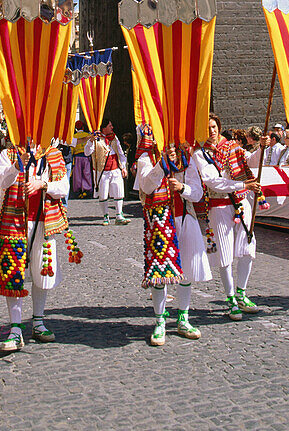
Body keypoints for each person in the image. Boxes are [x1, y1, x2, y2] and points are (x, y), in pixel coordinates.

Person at [0, 135, 76, 352]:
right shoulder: (7, 154)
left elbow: (64, 187)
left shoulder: (53, 156)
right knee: (14, 273)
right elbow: (1, 181)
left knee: (41, 272)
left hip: (43, 222)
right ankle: (16, 328)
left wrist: (43, 183)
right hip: (14, 222)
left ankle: (38, 320)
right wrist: (17, 166)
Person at [134, 127, 210, 345]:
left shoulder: (187, 157)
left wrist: (182, 187)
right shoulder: (146, 158)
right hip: (160, 221)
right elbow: (147, 186)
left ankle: (183, 318)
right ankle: (160, 322)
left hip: (184, 216)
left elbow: (197, 192)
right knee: (160, 272)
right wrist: (162, 164)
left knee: (184, 271)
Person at [192, 113, 262, 320]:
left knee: (248, 247)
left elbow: (250, 161)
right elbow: (212, 181)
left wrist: (261, 146)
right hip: (219, 205)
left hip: (241, 202)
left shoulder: (231, 146)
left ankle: (242, 292)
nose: (212, 131)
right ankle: (230, 298)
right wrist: (243, 185)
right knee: (224, 254)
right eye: (207, 128)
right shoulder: (199, 154)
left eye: (214, 126)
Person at [84, 121, 129, 225]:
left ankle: (119, 215)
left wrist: (123, 167)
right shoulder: (96, 139)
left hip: (115, 169)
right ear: (104, 128)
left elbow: (120, 152)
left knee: (119, 191)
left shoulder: (114, 138)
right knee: (103, 194)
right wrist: (91, 141)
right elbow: (87, 152)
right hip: (102, 171)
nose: (112, 127)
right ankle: (105, 216)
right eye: (110, 126)